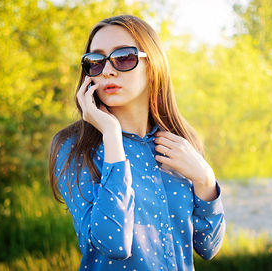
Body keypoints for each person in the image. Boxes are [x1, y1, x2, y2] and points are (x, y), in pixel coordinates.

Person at [49, 14, 226, 271]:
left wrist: (206, 180)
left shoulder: (181, 143)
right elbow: (114, 243)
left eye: (123, 58)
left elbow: (209, 246)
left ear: (152, 64)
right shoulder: (73, 148)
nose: (107, 70)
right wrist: (111, 134)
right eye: (96, 61)